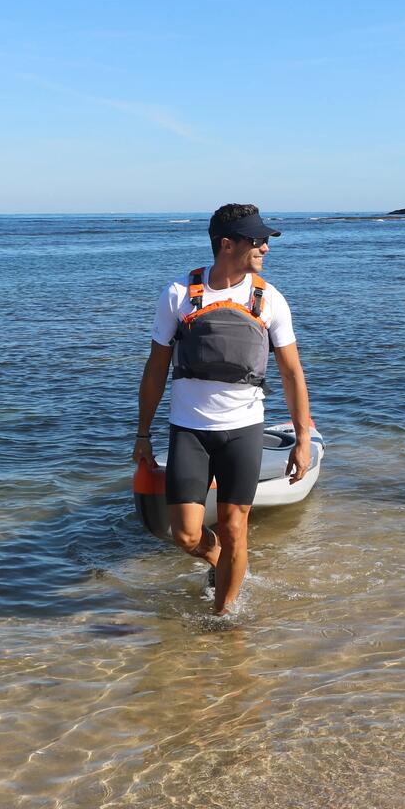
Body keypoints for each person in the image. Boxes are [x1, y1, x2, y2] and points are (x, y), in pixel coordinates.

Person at [133, 203, 311, 614]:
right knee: (186, 535)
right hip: (189, 430)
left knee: (234, 528)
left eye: (265, 240)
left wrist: (302, 439)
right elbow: (156, 368)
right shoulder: (178, 294)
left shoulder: (270, 301)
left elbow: (292, 373)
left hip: (244, 429)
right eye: (257, 240)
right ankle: (217, 563)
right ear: (227, 244)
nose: (265, 247)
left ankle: (223, 619)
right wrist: (143, 434)